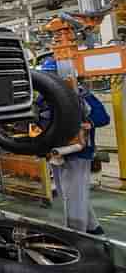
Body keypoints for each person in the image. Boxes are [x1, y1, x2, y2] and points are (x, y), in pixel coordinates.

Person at [40, 57, 110, 235]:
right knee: (68, 192)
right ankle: (93, 228)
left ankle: (77, 235)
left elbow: (103, 117)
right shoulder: (44, 98)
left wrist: (89, 123)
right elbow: (39, 118)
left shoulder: (81, 95)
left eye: (52, 75)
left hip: (78, 151)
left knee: (74, 195)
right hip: (57, 153)